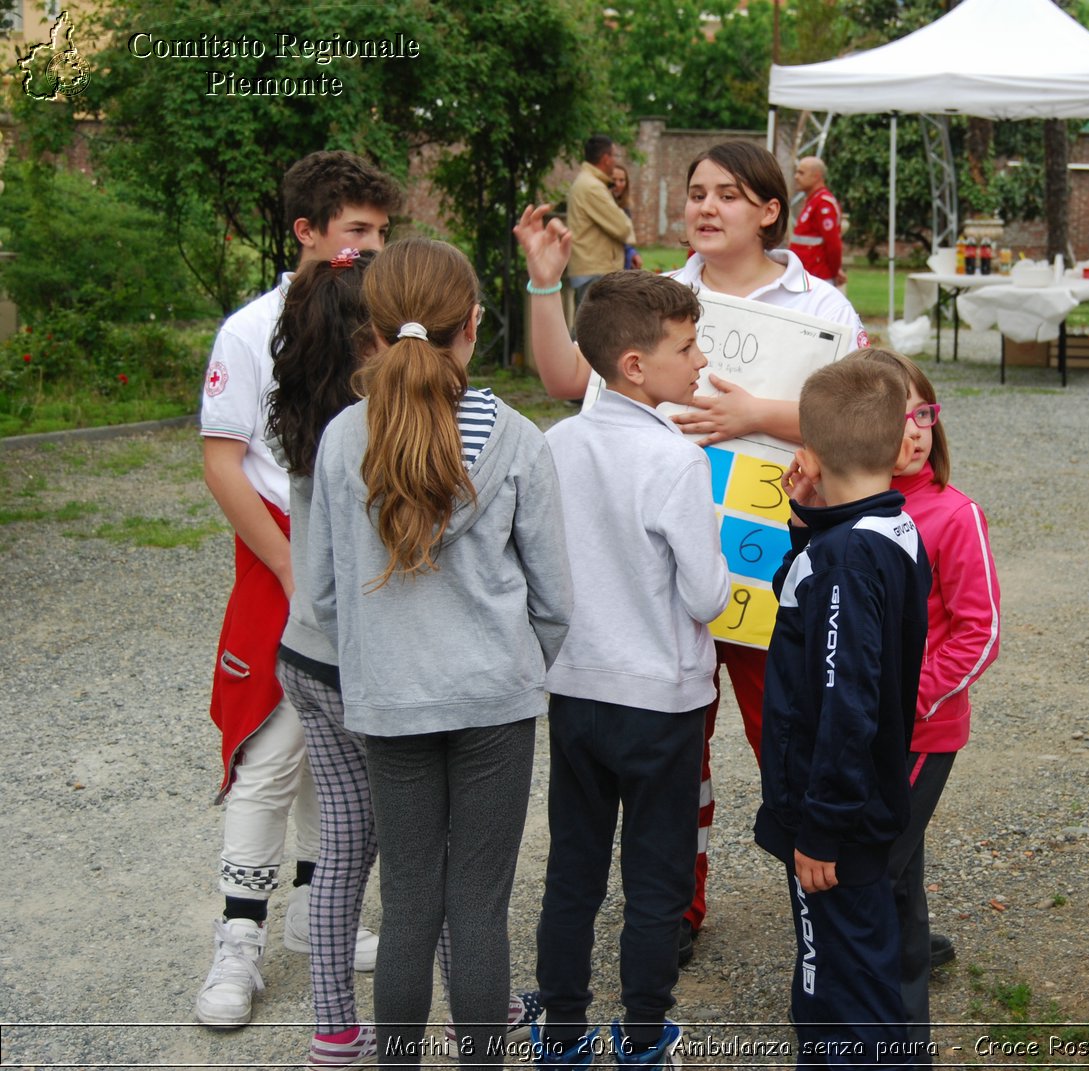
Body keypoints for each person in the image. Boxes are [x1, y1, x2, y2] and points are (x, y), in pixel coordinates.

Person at [514, 139, 870, 966]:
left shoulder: (821, 303)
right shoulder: (660, 297)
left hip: (775, 552)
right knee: (679, 745)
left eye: (729, 195)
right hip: (657, 568)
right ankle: (675, 903)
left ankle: (842, 896)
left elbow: (867, 415)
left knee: (793, 732)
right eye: (697, 192)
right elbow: (571, 379)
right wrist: (542, 280)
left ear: (771, 210)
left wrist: (761, 419)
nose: (706, 207)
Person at [303, 237, 572, 1068]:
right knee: (479, 909)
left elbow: (318, 596)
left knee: (410, 902)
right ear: (476, 324)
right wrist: (522, 664)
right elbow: (556, 600)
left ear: (373, 330)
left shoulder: (344, 439)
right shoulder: (520, 439)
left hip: (389, 702)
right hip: (494, 700)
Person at [196, 149, 400, 1030]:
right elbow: (222, 461)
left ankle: (328, 916)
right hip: (284, 561)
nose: (371, 247)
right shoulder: (251, 328)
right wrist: (288, 565)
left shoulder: (388, 319)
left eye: (382, 232)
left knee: (347, 749)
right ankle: (237, 940)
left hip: (369, 561)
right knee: (271, 751)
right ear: (307, 232)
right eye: (356, 231)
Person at [532, 271, 731, 1068]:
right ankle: (645, 1035)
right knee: (656, 876)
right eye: (687, 347)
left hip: (576, 691)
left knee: (572, 871)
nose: (702, 359)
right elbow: (708, 593)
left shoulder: (555, 445)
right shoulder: (675, 461)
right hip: (662, 702)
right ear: (637, 364)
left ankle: (562, 1034)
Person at [757, 358, 930, 1067]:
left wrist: (820, 825)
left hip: (836, 827)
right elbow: (806, 599)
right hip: (861, 813)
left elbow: (845, 697)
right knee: (861, 979)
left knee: (837, 996)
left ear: (810, 454)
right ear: (897, 449)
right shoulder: (885, 532)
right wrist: (806, 524)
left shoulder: (847, 559)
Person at [853, 348, 1000, 1063]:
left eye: (923, 413)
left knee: (873, 873)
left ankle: (878, 1032)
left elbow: (981, 630)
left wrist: (903, 701)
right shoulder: (854, 508)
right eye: (894, 415)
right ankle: (907, 1035)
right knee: (899, 879)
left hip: (919, 732)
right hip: (866, 731)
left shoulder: (953, 514)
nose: (913, 430)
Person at [567, 136, 637, 308]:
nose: (615, 161)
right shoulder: (592, 187)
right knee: (592, 330)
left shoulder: (588, 183)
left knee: (589, 328)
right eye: (615, 156)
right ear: (606, 158)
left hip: (592, 270)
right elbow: (622, 227)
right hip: (594, 271)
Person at [790, 156, 846, 287]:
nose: (796, 177)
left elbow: (833, 245)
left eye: (801, 173)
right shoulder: (813, 201)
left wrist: (834, 272)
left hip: (817, 278)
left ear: (816, 176)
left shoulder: (823, 204)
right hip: (806, 275)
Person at [611, 165, 645, 271]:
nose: (618, 184)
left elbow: (627, 237)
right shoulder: (605, 206)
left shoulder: (625, 208)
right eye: (614, 180)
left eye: (622, 180)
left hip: (623, 263)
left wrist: (633, 253)